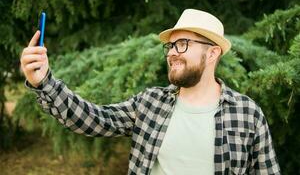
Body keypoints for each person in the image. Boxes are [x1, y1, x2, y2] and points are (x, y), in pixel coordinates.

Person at [20, 9, 281, 175]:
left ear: (212, 53)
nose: (171, 53)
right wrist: (45, 82)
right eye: (169, 46)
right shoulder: (150, 103)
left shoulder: (248, 114)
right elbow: (95, 119)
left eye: (182, 44)